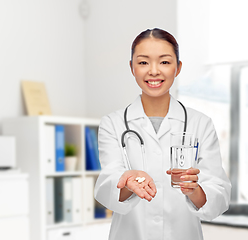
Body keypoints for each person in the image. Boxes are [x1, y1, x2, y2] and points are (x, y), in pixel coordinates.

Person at [94, 28, 231, 240]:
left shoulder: (200, 124)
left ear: (178, 68)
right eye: (143, 62)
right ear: (132, 68)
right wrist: (127, 183)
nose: (154, 71)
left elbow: (219, 195)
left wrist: (193, 189)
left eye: (165, 62)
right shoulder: (112, 123)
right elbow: (107, 188)